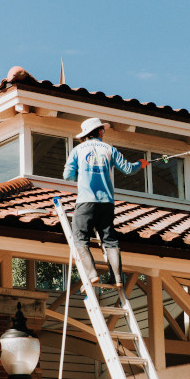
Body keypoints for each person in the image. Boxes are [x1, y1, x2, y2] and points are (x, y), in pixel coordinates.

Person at [63, 117, 149, 287]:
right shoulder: (110, 149)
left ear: (85, 134)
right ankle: (117, 277)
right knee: (110, 240)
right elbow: (128, 169)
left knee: (80, 238)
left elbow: (67, 175)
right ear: (100, 131)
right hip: (107, 203)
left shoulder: (78, 150)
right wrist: (141, 163)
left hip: (86, 201)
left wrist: (82, 174)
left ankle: (92, 274)